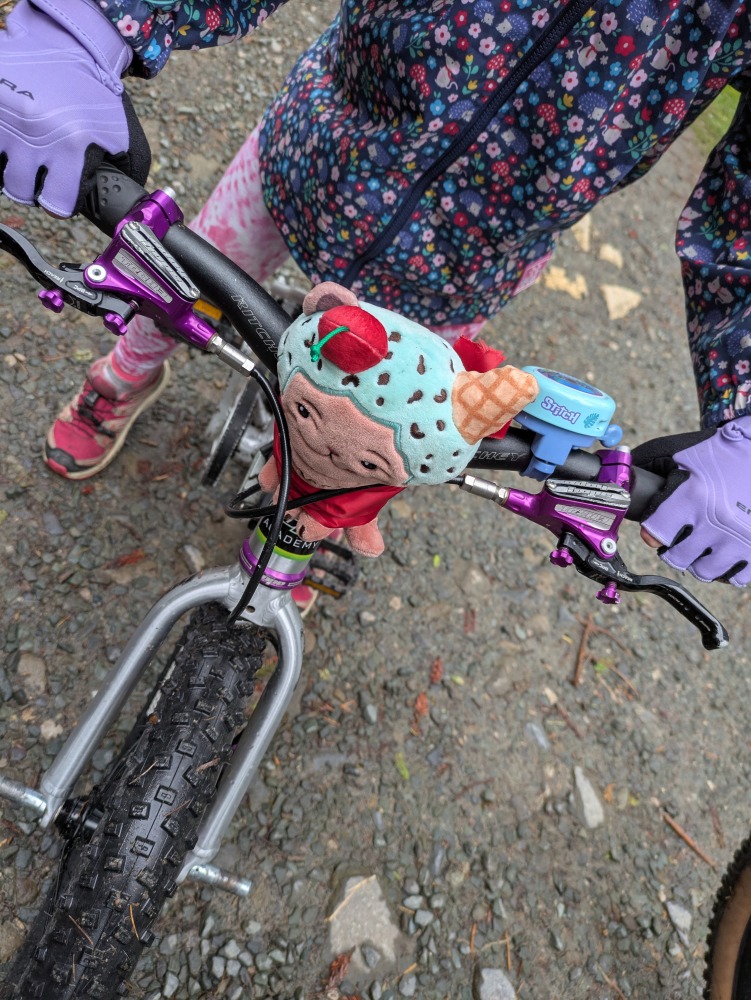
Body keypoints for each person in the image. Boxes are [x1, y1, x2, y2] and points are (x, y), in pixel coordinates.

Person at [1, 0, 750, 588]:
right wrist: (95, 16)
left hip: (465, 258)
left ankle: (312, 512)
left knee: (397, 424)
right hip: (314, 149)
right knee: (180, 276)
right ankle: (127, 372)